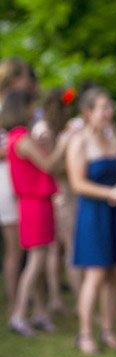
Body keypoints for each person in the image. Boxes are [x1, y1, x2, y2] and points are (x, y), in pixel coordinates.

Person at [66, 87, 116, 355]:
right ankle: (85, 333)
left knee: (114, 273)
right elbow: (77, 183)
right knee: (95, 274)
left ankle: (108, 328)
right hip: (93, 214)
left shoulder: (114, 139)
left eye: (110, 107)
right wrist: (110, 192)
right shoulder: (79, 142)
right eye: (103, 108)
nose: (109, 112)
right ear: (88, 113)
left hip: (115, 212)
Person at [2, 90, 73, 335]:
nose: (36, 109)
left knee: (39, 259)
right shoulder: (22, 139)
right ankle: (19, 314)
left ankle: (40, 312)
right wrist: (63, 144)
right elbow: (49, 165)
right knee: (36, 261)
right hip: (34, 204)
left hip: (36, 202)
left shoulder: (19, 138)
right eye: (32, 104)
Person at [33, 87, 79, 316]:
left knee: (59, 250)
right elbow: (49, 166)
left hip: (64, 194)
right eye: (65, 105)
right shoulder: (45, 131)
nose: (69, 109)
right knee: (63, 248)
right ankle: (60, 299)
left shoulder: (57, 129)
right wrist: (75, 167)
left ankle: (57, 298)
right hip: (58, 195)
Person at [0, 58, 34, 315]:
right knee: (14, 245)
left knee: (22, 244)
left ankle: (22, 296)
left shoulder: (18, 106)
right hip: (6, 179)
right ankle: (15, 301)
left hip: (18, 176)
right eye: (24, 77)